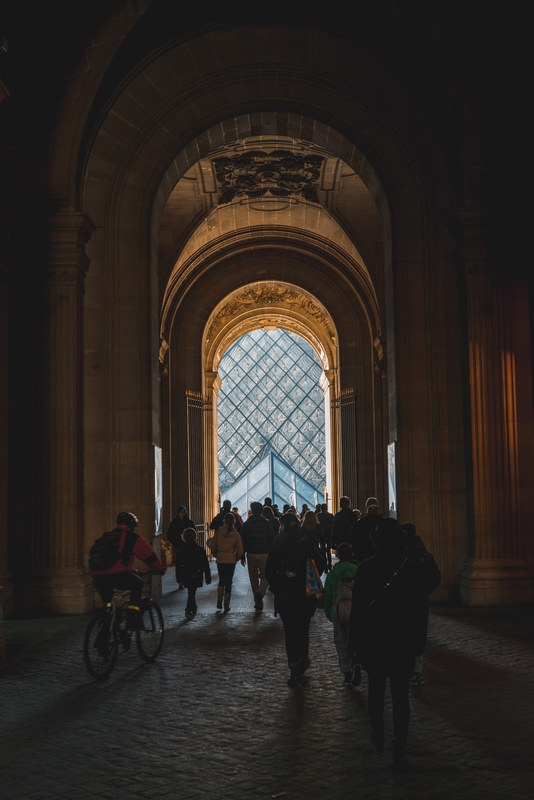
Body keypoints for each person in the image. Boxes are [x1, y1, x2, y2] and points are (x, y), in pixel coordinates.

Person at [348, 518, 428, 771]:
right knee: (401, 696)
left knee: (376, 689)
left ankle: (377, 729)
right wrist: (419, 641)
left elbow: (358, 610)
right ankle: (400, 746)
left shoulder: (366, 568)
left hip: (375, 639)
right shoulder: (412, 570)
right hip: (402, 641)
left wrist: (353, 642)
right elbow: (420, 611)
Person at [265, 513, 326, 687]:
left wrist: (278, 587)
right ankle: (303, 658)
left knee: (290, 632)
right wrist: (310, 581)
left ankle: (294, 670)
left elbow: (269, 571)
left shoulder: (277, 544)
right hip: (304, 594)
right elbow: (320, 564)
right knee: (303, 629)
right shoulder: (306, 542)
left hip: (285, 595)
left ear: (282, 526)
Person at [90, 512, 165, 624]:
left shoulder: (107, 535)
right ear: (132, 525)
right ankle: (132, 616)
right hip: (117, 576)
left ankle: (108, 625)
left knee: (109, 604)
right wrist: (159, 568)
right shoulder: (132, 538)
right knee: (137, 584)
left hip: (98, 577)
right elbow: (149, 557)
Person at [400, 522, 441, 685]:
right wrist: (424, 592)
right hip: (420, 600)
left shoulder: (402, 557)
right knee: (418, 634)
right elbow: (435, 576)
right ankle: (416, 672)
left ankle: (405, 669)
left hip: (404, 601)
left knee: (404, 634)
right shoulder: (426, 556)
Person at [323, 542, 359, 686]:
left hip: (338, 611)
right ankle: (356, 661)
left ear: (337, 555)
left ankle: (347, 672)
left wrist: (328, 612)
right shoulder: (358, 570)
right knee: (354, 638)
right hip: (355, 611)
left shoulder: (334, 573)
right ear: (352, 555)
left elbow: (328, 594)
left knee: (340, 640)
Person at [241, 501, 276, 610]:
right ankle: (260, 593)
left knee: (253, 578)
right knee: (266, 576)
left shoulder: (247, 524)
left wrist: (242, 555)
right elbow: (271, 539)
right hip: (264, 553)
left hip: (251, 553)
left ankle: (257, 601)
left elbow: (243, 540)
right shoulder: (267, 523)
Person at [175, 527, 212, 619]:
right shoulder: (200, 549)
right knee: (192, 591)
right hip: (196, 573)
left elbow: (178, 566)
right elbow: (205, 565)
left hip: (185, 573)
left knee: (191, 591)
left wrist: (178, 578)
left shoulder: (181, 550)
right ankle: (189, 609)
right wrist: (208, 577)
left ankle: (191, 609)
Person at [211, 512, 244, 611]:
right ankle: (226, 604)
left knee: (221, 580)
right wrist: (236, 557)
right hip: (231, 559)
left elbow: (213, 545)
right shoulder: (236, 534)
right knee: (229, 581)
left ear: (224, 521)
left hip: (220, 558)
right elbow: (240, 548)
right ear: (234, 522)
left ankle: (219, 601)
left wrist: (216, 555)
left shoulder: (218, 532)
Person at [166, 506, 195, 586]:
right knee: (179, 564)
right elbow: (170, 534)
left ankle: (187, 578)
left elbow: (194, 532)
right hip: (179, 546)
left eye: (183, 512)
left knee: (188, 563)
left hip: (188, 546)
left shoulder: (189, 522)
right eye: (180, 512)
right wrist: (175, 543)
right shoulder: (174, 523)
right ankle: (180, 581)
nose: (182, 514)